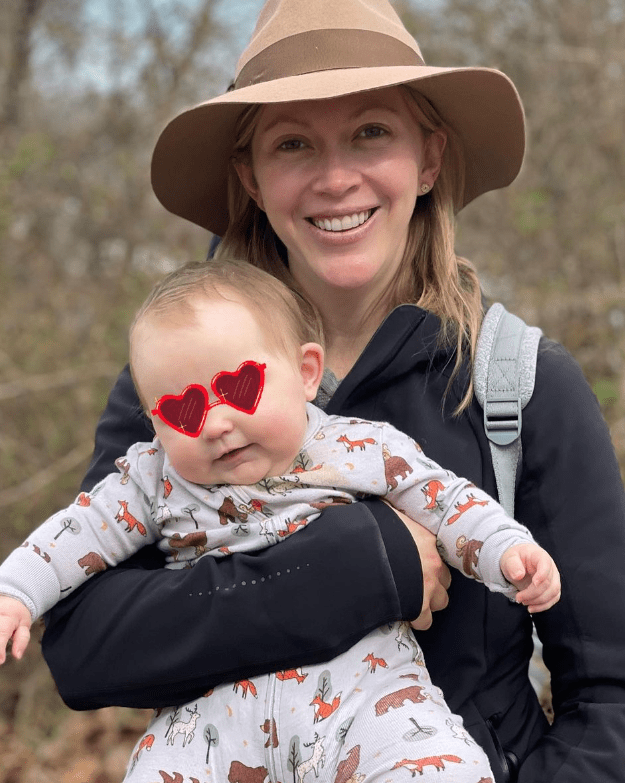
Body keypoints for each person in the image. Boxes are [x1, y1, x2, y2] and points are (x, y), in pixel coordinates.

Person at [38, 0, 625, 783]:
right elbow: (86, 647)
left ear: (428, 160)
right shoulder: (182, 391)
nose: (334, 177)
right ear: (251, 178)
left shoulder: (520, 385)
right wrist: (362, 565)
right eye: (292, 144)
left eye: (371, 132)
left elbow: (609, 702)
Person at [0, 259, 561, 780]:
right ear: (154, 423)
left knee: (438, 764)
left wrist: (506, 551)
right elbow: (76, 532)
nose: (216, 423)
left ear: (305, 372)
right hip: (207, 718)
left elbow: (448, 502)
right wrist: (17, 592)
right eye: (184, 410)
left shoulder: (360, 448)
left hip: (364, 691)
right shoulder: (151, 478)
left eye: (239, 388)